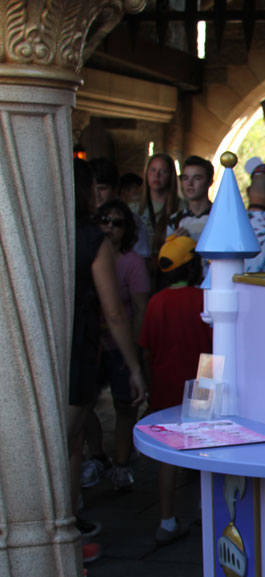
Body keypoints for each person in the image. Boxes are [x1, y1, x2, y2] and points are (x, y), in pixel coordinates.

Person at [68, 159, 147, 562]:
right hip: (75, 345)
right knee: (69, 438)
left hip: (32, 343)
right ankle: (65, 532)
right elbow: (114, 311)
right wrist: (134, 366)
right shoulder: (89, 239)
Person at [138, 234, 211, 545]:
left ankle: (166, 520)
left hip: (164, 386)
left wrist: (146, 379)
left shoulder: (156, 303)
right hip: (202, 384)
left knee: (167, 457)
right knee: (207, 450)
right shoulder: (203, 300)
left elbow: (146, 347)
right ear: (193, 266)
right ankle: (206, 513)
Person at [96, 198, 150, 491]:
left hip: (121, 342)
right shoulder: (91, 254)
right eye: (105, 221)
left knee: (124, 405)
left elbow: (140, 308)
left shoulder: (133, 262)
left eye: (117, 223)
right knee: (82, 405)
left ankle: (120, 464)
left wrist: (135, 348)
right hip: (93, 341)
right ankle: (95, 456)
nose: (110, 228)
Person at [140, 153, 181, 264]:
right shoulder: (134, 208)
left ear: (170, 176)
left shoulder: (182, 207)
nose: (157, 175)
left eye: (163, 171)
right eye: (153, 170)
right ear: (147, 173)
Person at [169, 156, 214, 240]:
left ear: (210, 182)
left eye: (197, 178)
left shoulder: (221, 217)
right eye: (185, 178)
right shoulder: (175, 220)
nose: (190, 183)